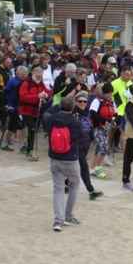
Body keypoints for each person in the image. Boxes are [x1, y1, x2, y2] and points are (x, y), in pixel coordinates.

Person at [49, 97, 84, 231]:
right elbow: (81, 136)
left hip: (55, 158)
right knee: (74, 184)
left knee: (58, 188)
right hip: (70, 158)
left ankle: (58, 220)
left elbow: (48, 112)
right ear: (72, 108)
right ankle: (68, 216)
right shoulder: (75, 122)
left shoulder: (52, 119)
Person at [73, 92, 104, 200]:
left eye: (85, 101)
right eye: (80, 101)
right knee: (84, 167)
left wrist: (92, 137)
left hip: (86, 143)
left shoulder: (87, 113)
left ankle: (66, 184)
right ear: (75, 102)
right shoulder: (73, 113)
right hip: (76, 145)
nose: (82, 103)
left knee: (76, 166)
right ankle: (91, 190)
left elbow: (89, 125)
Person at [19, 67, 51, 161]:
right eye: (38, 76)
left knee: (34, 129)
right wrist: (37, 97)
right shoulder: (25, 83)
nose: (39, 78)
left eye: (41, 76)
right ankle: (30, 150)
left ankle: (30, 149)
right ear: (33, 73)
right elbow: (23, 97)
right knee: (32, 128)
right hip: (26, 110)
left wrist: (46, 95)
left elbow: (48, 91)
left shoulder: (40, 83)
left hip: (37, 110)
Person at [89, 84, 116, 172]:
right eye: (108, 93)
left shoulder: (111, 102)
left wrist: (114, 120)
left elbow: (115, 113)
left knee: (98, 148)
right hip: (97, 127)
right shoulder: (97, 101)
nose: (109, 95)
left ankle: (92, 169)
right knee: (104, 146)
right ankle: (98, 168)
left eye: (111, 93)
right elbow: (92, 113)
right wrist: (104, 121)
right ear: (104, 93)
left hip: (106, 128)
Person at [3, 66, 27, 153]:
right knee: (19, 125)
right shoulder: (12, 81)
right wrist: (6, 105)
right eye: (22, 74)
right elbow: (5, 92)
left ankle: (4, 144)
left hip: (20, 106)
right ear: (17, 74)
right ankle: (22, 145)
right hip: (12, 107)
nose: (24, 76)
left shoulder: (25, 81)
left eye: (25, 74)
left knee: (11, 126)